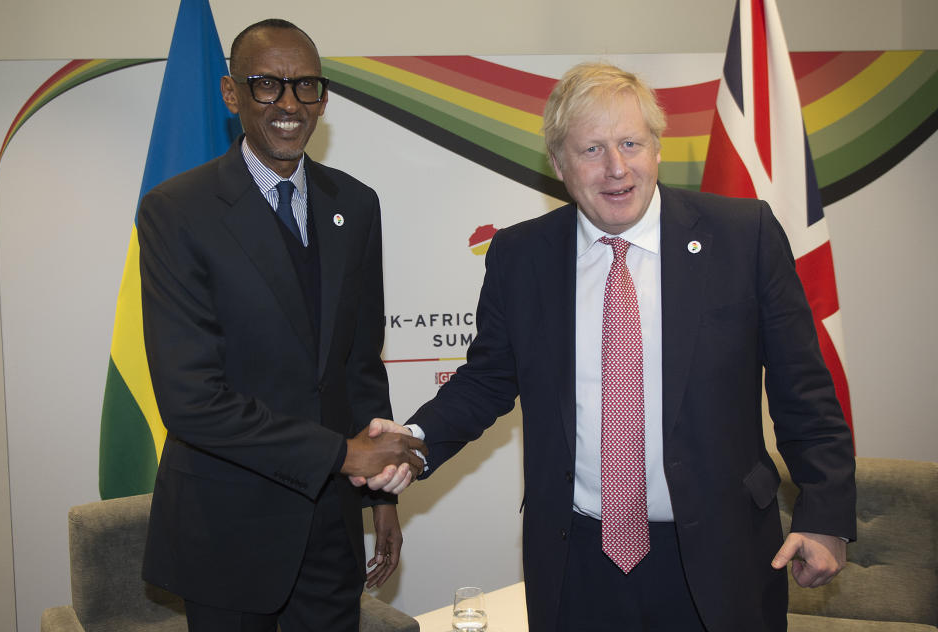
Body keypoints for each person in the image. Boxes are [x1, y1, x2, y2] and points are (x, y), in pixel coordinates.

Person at [362, 63, 856, 631]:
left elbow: (804, 388)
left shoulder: (743, 237)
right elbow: (488, 378)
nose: (617, 168)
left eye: (630, 143)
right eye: (592, 149)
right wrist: (415, 439)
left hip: (724, 554)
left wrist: (826, 515)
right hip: (578, 562)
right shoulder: (521, 257)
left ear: (656, 148)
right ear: (559, 165)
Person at [138, 19, 426, 632]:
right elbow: (190, 400)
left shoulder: (356, 204)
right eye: (266, 85)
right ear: (230, 93)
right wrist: (343, 454)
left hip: (331, 527)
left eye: (306, 86)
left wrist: (379, 493)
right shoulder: (177, 212)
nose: (289, 104)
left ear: (324, 98)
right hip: (227, 531)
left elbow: (358, 364)